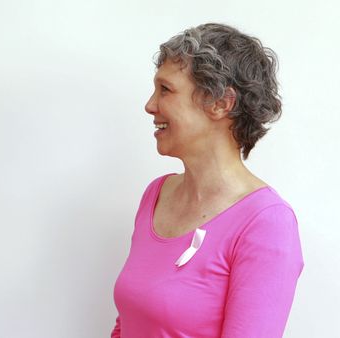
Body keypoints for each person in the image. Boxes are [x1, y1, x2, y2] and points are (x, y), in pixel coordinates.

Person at [112, 23, 303, 337]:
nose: (150, 105)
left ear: (221, 103)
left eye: (166, 90)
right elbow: (129, 324)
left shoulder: (267, 224)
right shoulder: (156, 194)